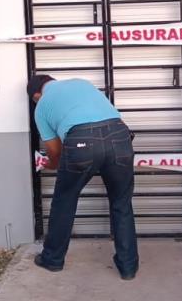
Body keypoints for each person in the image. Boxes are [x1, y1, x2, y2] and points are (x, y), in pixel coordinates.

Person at [27, 74, 139, 280]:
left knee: (64, 202)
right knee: (122, 203)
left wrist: (51, 165)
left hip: (81, 141)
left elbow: (55, 152)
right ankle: (128, 267)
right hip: (120, 137)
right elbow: (111, 117)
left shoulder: (42, 105)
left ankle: (52, 259)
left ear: (36, 94)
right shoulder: (82, 83)